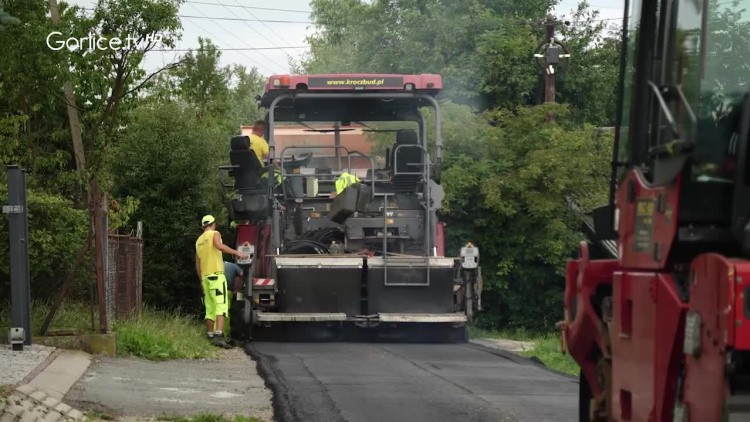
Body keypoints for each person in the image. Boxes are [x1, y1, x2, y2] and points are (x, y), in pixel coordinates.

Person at [195, 215, 249, 348]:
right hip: (216, 276)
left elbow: (198, 264)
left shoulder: (198, 241)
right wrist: (238, 253)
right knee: (221, 305)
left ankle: (210, 335)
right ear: (213, 224)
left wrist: (202, 280)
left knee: (210, 308)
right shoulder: (215, 233)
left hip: (206, 278)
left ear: (203, 226)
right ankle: (219, 336)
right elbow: (219, 246)